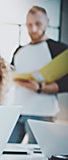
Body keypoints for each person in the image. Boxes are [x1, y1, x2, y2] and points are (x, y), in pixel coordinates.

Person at [8, 6, 68, 143]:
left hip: (42, 114)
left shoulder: (60, 50)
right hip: (17, 111)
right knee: (7, 150)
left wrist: (41, 89)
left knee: (37, 156)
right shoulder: (19, 50)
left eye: (38, 24)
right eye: (29, 25)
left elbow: (66, 82)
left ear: (47, 22)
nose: (33, 29)